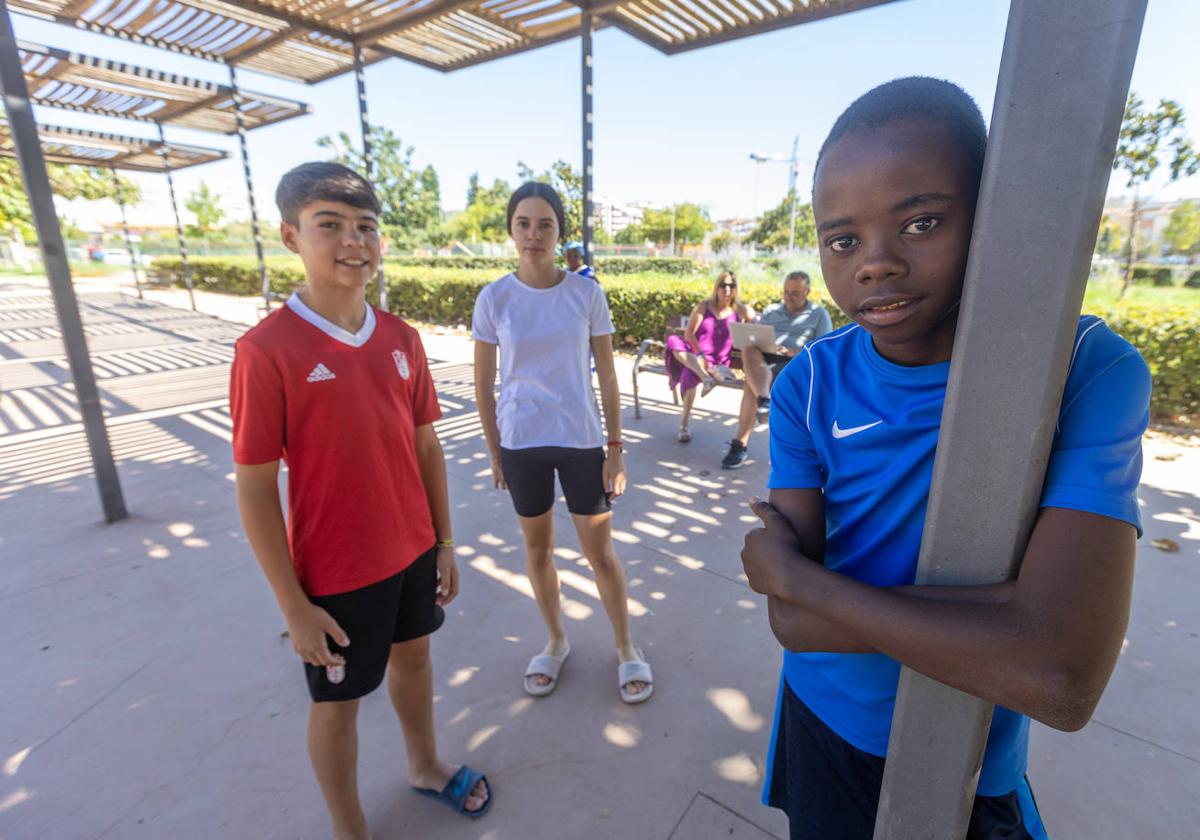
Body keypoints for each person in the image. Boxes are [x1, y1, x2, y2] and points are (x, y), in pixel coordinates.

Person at [740, 77, 1150, 840]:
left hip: (971, 758)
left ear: (993, 214)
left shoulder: (1087, 372)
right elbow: (793, 625)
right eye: (842, 240)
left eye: (921, 222)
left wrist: (804, 578)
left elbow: (1061, 676)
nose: (875, 264)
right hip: (822, 720)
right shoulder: (808, 384)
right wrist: (1007, 622)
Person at [232, 162, 491, 839]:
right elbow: (256, 488)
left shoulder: (402, 339)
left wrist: (444, 543)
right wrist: (294, 605)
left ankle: (425, 766)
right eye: (330, 225)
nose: (354, 241)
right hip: (335, 574)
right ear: (291, 236)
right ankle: (351, 831)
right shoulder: (265, 351)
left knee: (415, 658)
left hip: (412, 551)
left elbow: (427, 449)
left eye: (366, 227)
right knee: (339, 702)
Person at [472, 182, 652, 704]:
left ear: (560, 233)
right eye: (523, 224)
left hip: (580, 441)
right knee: (538, 551)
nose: (534, 235)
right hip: (522, 443)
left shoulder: (585, 294)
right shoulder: (495, 299)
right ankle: (555, 639)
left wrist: (615, 448)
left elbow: (609, 378)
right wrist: (494, 451)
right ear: (510, 230)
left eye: (545, 224)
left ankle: (625, 646)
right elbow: (484, 385)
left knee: (601, 553)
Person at [663, 272, 756, 464]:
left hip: (719, 362)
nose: (727, 289)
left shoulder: (739, 310)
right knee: (674, 341)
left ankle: (685, 422)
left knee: (690, 372)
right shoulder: (704, 306)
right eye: (723, 285)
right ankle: (704, 382)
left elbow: (756, 325)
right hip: (696, 354)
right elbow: (689, 334)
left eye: (731, 285)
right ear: (717, 287)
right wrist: (700, 355)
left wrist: (750, 314)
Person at [741, 271, 833, 420]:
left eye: (795, 293)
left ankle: (762, 406)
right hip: (765, 358)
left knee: (751, 383)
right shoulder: (771, 310)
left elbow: (824, 350)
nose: (789, 297)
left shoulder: (819, 314)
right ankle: (765, 401)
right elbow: (758, 335)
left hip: (795, 362)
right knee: (748, 349)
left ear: (807, 292)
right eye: (786, 292)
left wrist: (794, 351)